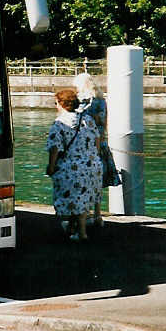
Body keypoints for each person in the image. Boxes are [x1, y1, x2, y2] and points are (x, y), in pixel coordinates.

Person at [45, 88, 102, 241]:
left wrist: (51, 166)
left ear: (62, 104)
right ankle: (73, 228)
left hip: (71, 167)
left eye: (56, 103)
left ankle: (82, 233)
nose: (56, 106)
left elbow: (55, 148)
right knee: (82, 198)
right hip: (92, 165)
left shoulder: (59, 123)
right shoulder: (87, 119)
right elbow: (97, 139)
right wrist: (92, 156)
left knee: (72, 197)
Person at [74, 72, 108, 226]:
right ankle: (98, 215)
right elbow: (104, 122)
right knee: (97, 181)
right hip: (101, 143)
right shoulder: (102, 100)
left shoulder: (84, 101)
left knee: (83, 180)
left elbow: (78, 121)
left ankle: (84, 216)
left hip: (86, 145)